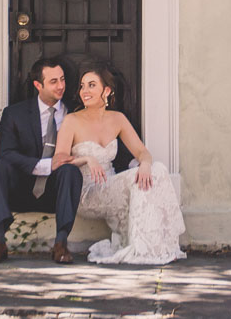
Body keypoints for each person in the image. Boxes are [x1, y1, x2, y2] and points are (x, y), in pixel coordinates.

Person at [52, 63, 186, 264]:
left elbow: (142, 152)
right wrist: (87, 159)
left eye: (91, 85)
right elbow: (57, 162)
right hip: (85, 193)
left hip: (110, 186)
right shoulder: (72, 121)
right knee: (142, 175)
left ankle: (156, 245)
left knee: (157, 169)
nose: (84, 91)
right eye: (82, 86)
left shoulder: (117, 119)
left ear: (106, 90)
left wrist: (145, 164)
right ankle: (144, 247)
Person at [0, 56, 86, 263]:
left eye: (63, 79)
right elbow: (6, 153)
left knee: (70, 171)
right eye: (54, 82)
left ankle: (61, 243)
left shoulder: (75, 112)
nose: (61, 86)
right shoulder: (14, 114)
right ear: (38, 85)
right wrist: (46, 165)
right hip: (22, 186)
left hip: (57, 190)